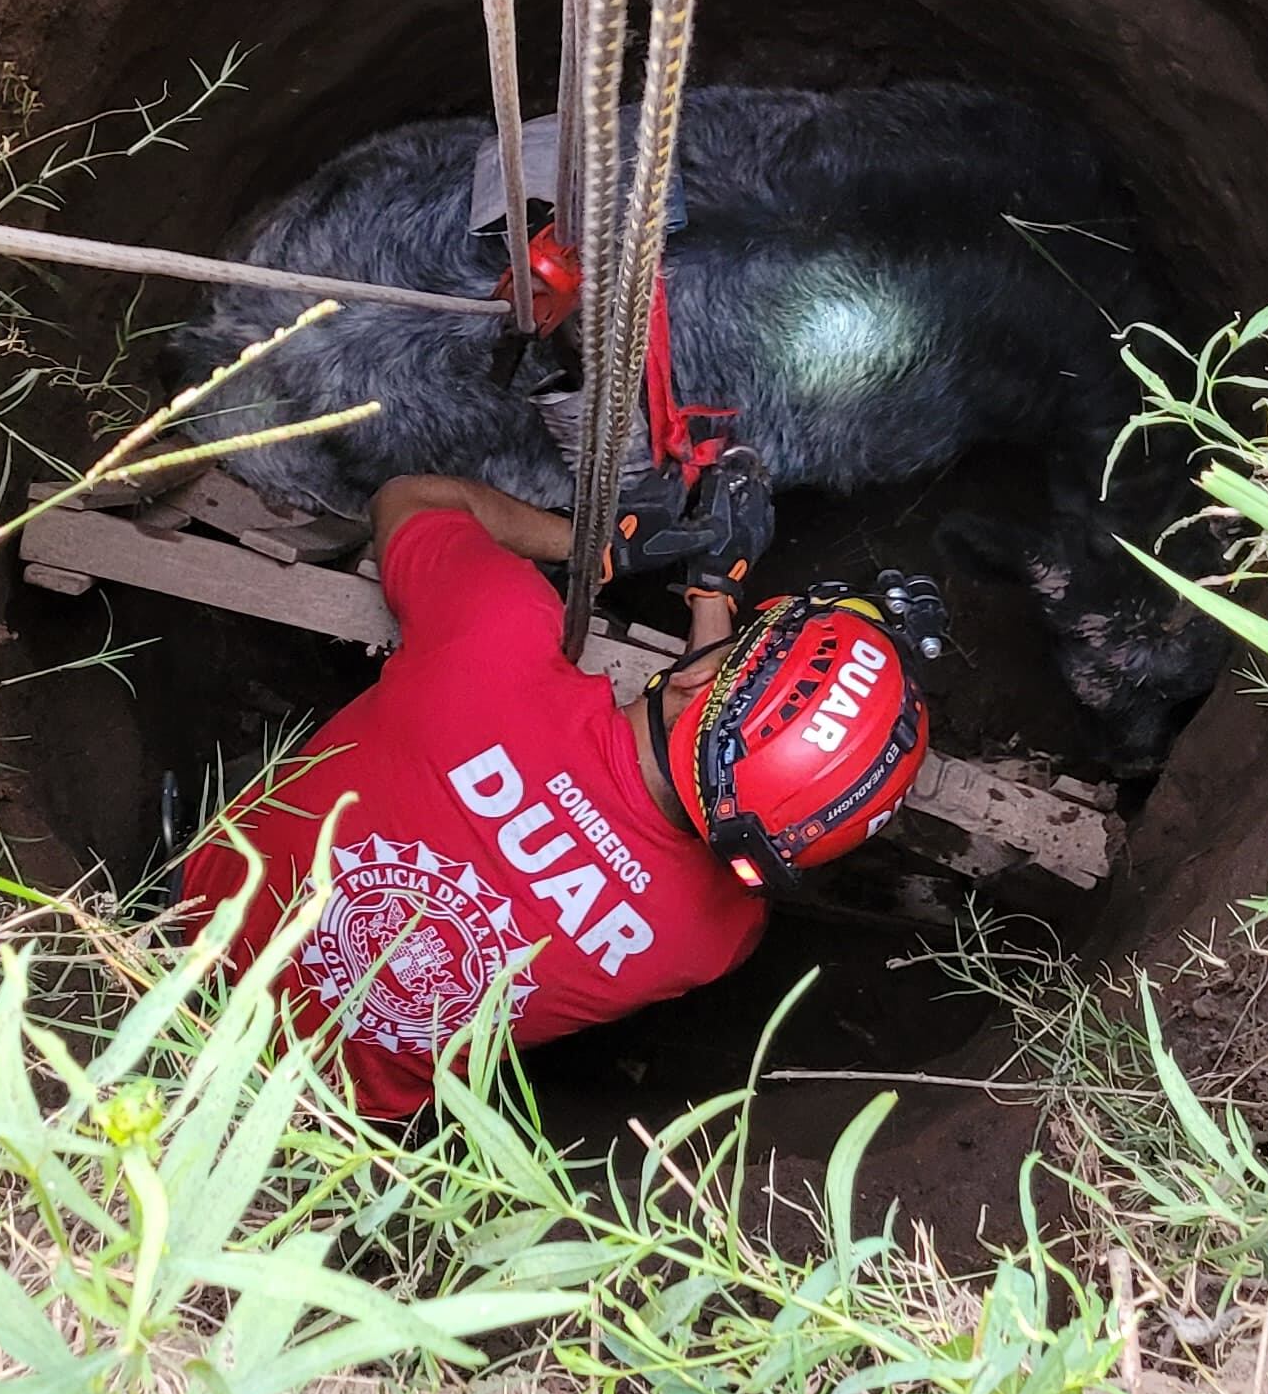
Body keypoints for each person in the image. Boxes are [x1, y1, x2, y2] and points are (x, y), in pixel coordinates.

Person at [180, 471, 930, 1121]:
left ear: (703, 678)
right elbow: (712, 764)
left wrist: (599, 547)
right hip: (328, 1111)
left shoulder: (496, 636)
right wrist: (714, 597)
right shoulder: (709, 939)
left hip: (181, 946)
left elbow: (407, 499)